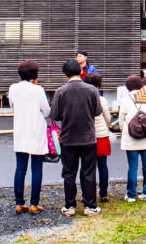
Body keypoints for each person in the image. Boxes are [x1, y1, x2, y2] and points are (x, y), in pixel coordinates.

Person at [50, 59, 102, 216]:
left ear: (65, 74)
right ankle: (90, 205)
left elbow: (55, 115)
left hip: (68, 137)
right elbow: (97, 111)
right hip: (88, 137)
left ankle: (70, 205)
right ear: (80, 72)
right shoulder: (92, 90)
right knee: (89, 172)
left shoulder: (60, 91)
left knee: (69, 172)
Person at [8, 60, 51, 214]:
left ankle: (19, 203)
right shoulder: (38, 90)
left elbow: (12, 106)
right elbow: (46, 112)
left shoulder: (13, 88)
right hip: (36, 131)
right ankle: (34, 203)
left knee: (20, 168)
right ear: (34, 74)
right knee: (36, 168)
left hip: (20, 130)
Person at [119, 74, 146, 202]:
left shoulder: (125, 100)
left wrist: (124, 129)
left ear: (127, 87)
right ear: (141, 85)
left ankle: (131, 195)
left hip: (131, 138)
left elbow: (121, 121)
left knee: (132, 166)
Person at [89, 73, 114, 203]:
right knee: (102, 165)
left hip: (87, 136)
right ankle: (103, 194)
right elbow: (108, 118)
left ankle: (87, 193)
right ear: (98, 85)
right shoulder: (102, 100)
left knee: (87, 167)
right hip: (102, 135)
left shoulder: (84, 99)